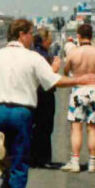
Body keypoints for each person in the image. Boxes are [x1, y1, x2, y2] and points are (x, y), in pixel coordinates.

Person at [0, 18, 95, 188]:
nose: (32, 38)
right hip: (22, 112)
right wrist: (79, 80)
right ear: (22, 35)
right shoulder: (33, 58)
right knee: (20, 160)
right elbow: (53, 81)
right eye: (30, 34)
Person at [60, 23, 95, 173]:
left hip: (78, 90)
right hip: (94, 90)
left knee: (76, 127)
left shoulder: (73, 53)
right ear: (92, 36)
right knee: (92, 127)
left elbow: (66, 69)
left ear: (79, 36)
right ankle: (92, 163)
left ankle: (75, 161)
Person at [30, 29, 61, 167]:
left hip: (32, 94)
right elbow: (47, 77)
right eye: (50, 39)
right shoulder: (44, 56)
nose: (51, 41)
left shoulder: (32, 53)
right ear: (44, 40)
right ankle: (43, 159)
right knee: (45, 127)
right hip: (45, 94)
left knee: (33, 126)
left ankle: (32, 157)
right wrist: (54, 69)